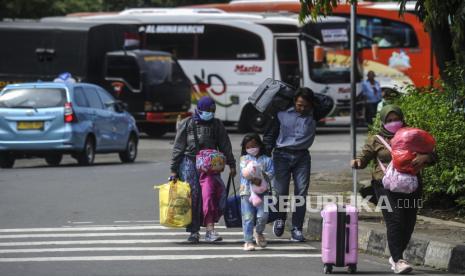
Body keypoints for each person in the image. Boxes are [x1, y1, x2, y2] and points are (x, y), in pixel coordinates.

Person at [351, 105, 436, 274]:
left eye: (396, 119)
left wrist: (425, 157)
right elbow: (364, 157)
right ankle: (398, 260)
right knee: (395, 220)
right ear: (383, 122)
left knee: (408, 223)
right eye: (389, 120)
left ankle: (395, 255)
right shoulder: (376, 139)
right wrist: (357, 162)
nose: (393, 123)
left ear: (402, 119)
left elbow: (434, 155)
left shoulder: (412, 136)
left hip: (411, 184)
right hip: (384, 186)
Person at [263, 87, 328, 242]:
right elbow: (270, 135)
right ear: (294, 102)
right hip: (281, 155)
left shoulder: (315, 113)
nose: (302, 108)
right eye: (299, 104)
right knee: (280, 192)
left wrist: (305, 95)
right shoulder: (281, 113)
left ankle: (297, 228)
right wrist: (264, 157)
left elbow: (328, 102)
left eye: (306, 105)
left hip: (302, 157)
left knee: (301, 194)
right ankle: (280, 218)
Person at [170, 96, 236, 243]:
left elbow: (225, 145)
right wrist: (173, 170)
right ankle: (193, 231)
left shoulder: (217, 125)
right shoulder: (187, 123)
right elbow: (178, 147)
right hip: (189, 163)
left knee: (210, 196)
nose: (210, 113)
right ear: (200, 109)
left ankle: (210, 229)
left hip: (210, 167)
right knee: (192, 196)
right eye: (208, 110)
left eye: (213, 110)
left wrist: (231, 164)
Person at [239, 133, 274, 251]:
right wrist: (253, 179)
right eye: (248, 147)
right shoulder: (244, 159)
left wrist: (262, 178)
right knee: (248, 217)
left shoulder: (267, 160)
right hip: (247, 192)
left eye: (253, 146)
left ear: (259, 145)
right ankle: (248, 241)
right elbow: (244, 172)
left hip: (263, 192)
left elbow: (271, 173)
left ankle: (258, 232)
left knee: (263, 216)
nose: (251, 149)